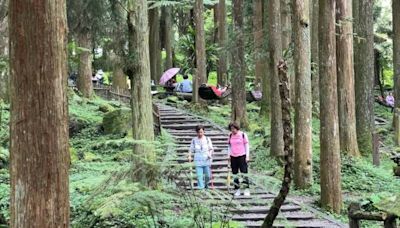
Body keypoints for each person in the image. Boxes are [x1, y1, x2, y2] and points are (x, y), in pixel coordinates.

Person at [227, 122, 250, 196]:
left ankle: (246, 188)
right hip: (233, 157)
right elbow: (229, 146)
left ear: (237, 128)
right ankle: (237, 189)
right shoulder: (230, 135)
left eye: (234, 129)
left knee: (244, 173)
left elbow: (246, 145)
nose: (233, 130)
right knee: (235, 173)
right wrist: (228, 155)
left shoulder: (243, 134)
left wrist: (247, 156)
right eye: (231, 129)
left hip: (242, 156)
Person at [189, 125, 214, 190]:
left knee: (208, 175)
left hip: (206, 159)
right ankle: (201, 188)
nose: (200, 134)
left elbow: (211, 149)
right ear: (196, 132)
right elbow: (191, 149)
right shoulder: (194, 140)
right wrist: (189, 156)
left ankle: (206, 185)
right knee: (199, 176)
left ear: (204, 132)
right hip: (198, 159)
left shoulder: (207, 139)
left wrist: (210, 154)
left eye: (201, 132)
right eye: (199, 132)